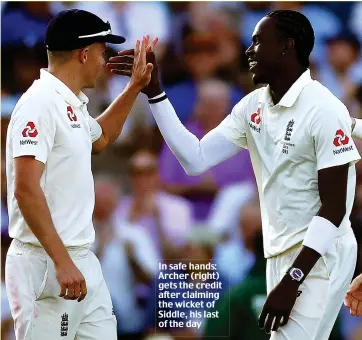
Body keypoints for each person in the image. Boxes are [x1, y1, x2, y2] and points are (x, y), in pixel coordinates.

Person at [110, 9, 362, 340]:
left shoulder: (324, 109)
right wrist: (156, 93)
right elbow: (195, 159)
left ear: (287, 47)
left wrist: (291, 281)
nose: (248, 50)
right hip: (282, 253)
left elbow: (335, 208)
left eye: (258, 42)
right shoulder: (253, 107)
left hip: (319, 256)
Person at [5, 9, 154, 340]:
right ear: (84, 53)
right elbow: (25, 189)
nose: (103, 62)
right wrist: (62, 262)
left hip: (80, 258)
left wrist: (134, 88)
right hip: (47, 261)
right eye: (102, 52)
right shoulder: (39, 104)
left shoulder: (70, 103)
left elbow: (100, 138)